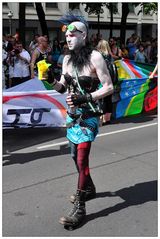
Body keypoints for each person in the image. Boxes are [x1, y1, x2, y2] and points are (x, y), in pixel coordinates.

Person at [44, 13, 114, 228]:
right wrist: (51, 81)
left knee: (82, 159)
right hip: (72, 116)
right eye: (67, 35)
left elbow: (109, 86)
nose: (69, 38)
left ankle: (80, 207)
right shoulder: (66, 59)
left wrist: (87, 97)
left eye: (74, 34)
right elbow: (63, 88)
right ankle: (89, 188)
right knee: (75, 156)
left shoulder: (95, 57)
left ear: (84, 35)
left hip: (89, 116)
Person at [96, 39, 113, 125]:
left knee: (101, 99)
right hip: (110, 80)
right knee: (108, 100)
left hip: (101, 81)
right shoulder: (110, 56)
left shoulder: (99, 56)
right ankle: (108, 119)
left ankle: (102, 118)